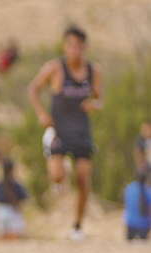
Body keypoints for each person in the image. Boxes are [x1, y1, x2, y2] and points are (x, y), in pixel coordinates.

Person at [28, 25, 103, 241]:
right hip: (59, 130)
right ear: (65, 47)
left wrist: (94, 105)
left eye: (79, 46)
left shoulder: (94, 71)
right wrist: (42, 114)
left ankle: (77, 226)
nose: (75, 50)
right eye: (71, 45)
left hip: (81, 130)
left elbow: (99, 99)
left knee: (83, 179)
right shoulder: (55, 68)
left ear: (85, 47)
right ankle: (59, 164)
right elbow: (33, 89)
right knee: (57, 177)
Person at [0, 159, 29, 239]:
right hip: (12, 210)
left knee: (2, 235)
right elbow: (24, 197)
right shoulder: (16, 185)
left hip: (0, 210)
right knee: (15, 235)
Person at [123, 171, 151, 241]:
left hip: (130, 224)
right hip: (144, 226)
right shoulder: (148, 190)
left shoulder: (129, 188)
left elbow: (126, 206)